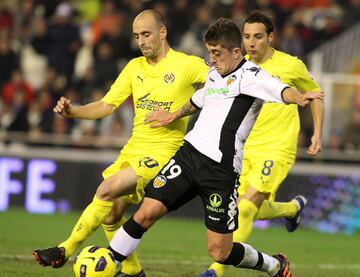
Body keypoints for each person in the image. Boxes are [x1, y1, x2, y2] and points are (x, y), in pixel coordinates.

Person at [107, 18, 322, 277]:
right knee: (145, 213)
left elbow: (281, 90)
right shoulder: (213, 74)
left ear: (235, 52)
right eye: (209, 52)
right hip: (188, 157)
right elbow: (197, 101)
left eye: (217, 53)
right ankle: (109, 263)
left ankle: (273, 265)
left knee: (220, 251)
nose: (212, 59)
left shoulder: (251, 77)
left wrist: (299, 97)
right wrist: (172, 115)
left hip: (220, 172)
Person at [33, 9, 208, 277]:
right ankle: (135, 271)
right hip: (133, 148)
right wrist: (74, 111)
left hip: (164, 152)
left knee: (106, 189)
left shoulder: (188, 65)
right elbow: (106, 104)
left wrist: (182, 111)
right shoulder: (134, 67)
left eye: (146, 34)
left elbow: (223, 84)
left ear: (163, 32)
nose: (141, 41)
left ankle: (64, 250)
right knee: (113, 215)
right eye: (137, 36)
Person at [200, 11, 324, 277]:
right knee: (245, 208)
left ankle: (216, 271)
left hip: (277, 149)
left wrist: (317, 134)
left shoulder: (291, 65)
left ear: (270, 37)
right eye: (246, 37)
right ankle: (291, 209)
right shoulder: (239, 67)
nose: (251, 43)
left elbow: (316, 95)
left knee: (245, 208)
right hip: (244, 149)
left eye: (257, 36)